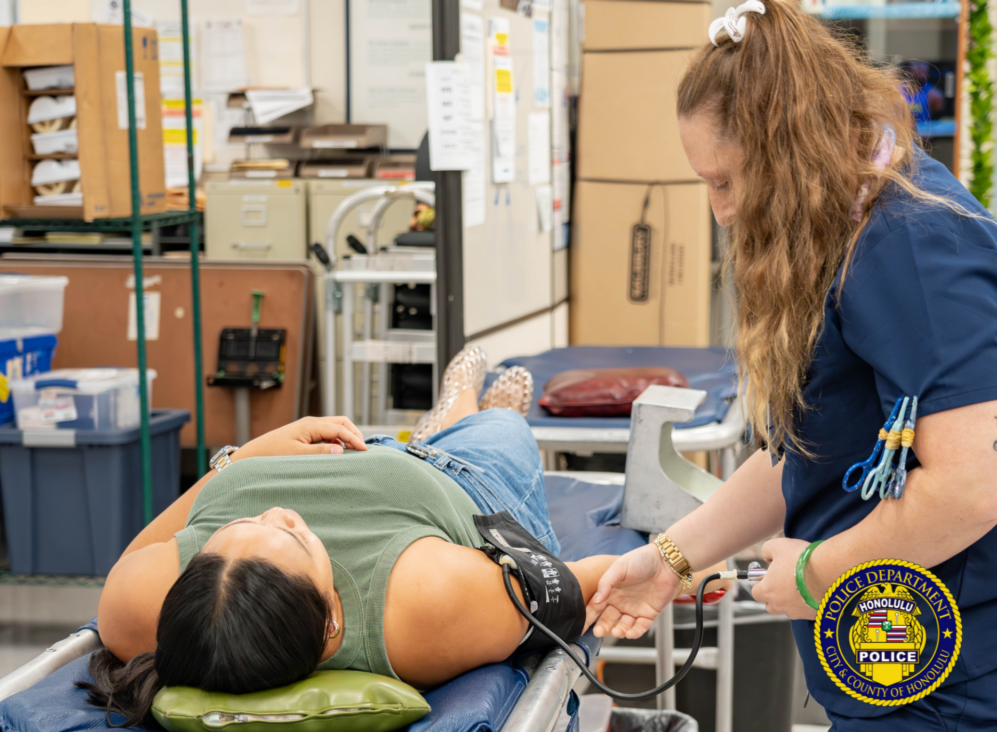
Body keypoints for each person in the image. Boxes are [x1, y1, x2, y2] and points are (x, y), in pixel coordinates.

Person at [589, 1, 997, 729]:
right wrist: (672, 558)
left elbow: (973, 487)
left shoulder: (910, 243)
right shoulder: (845, 233)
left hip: (949, 679)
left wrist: (815, 576)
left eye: (725, 182)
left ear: (788, 150)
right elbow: (807, 450)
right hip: (883, 658)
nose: (720, 211)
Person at [83, 347, 716, 728]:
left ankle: (445, 416)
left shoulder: (141, 604)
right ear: (332, 624)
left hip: (317, 445)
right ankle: (464, 404)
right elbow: (577, 584)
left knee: (452, 430)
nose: (279, 509)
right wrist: (671, 561)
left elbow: (170, 524)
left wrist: (243, 459)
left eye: (238, 526)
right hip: (456, 482)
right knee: (498, 426)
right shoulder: (430, 605)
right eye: (294, 537)